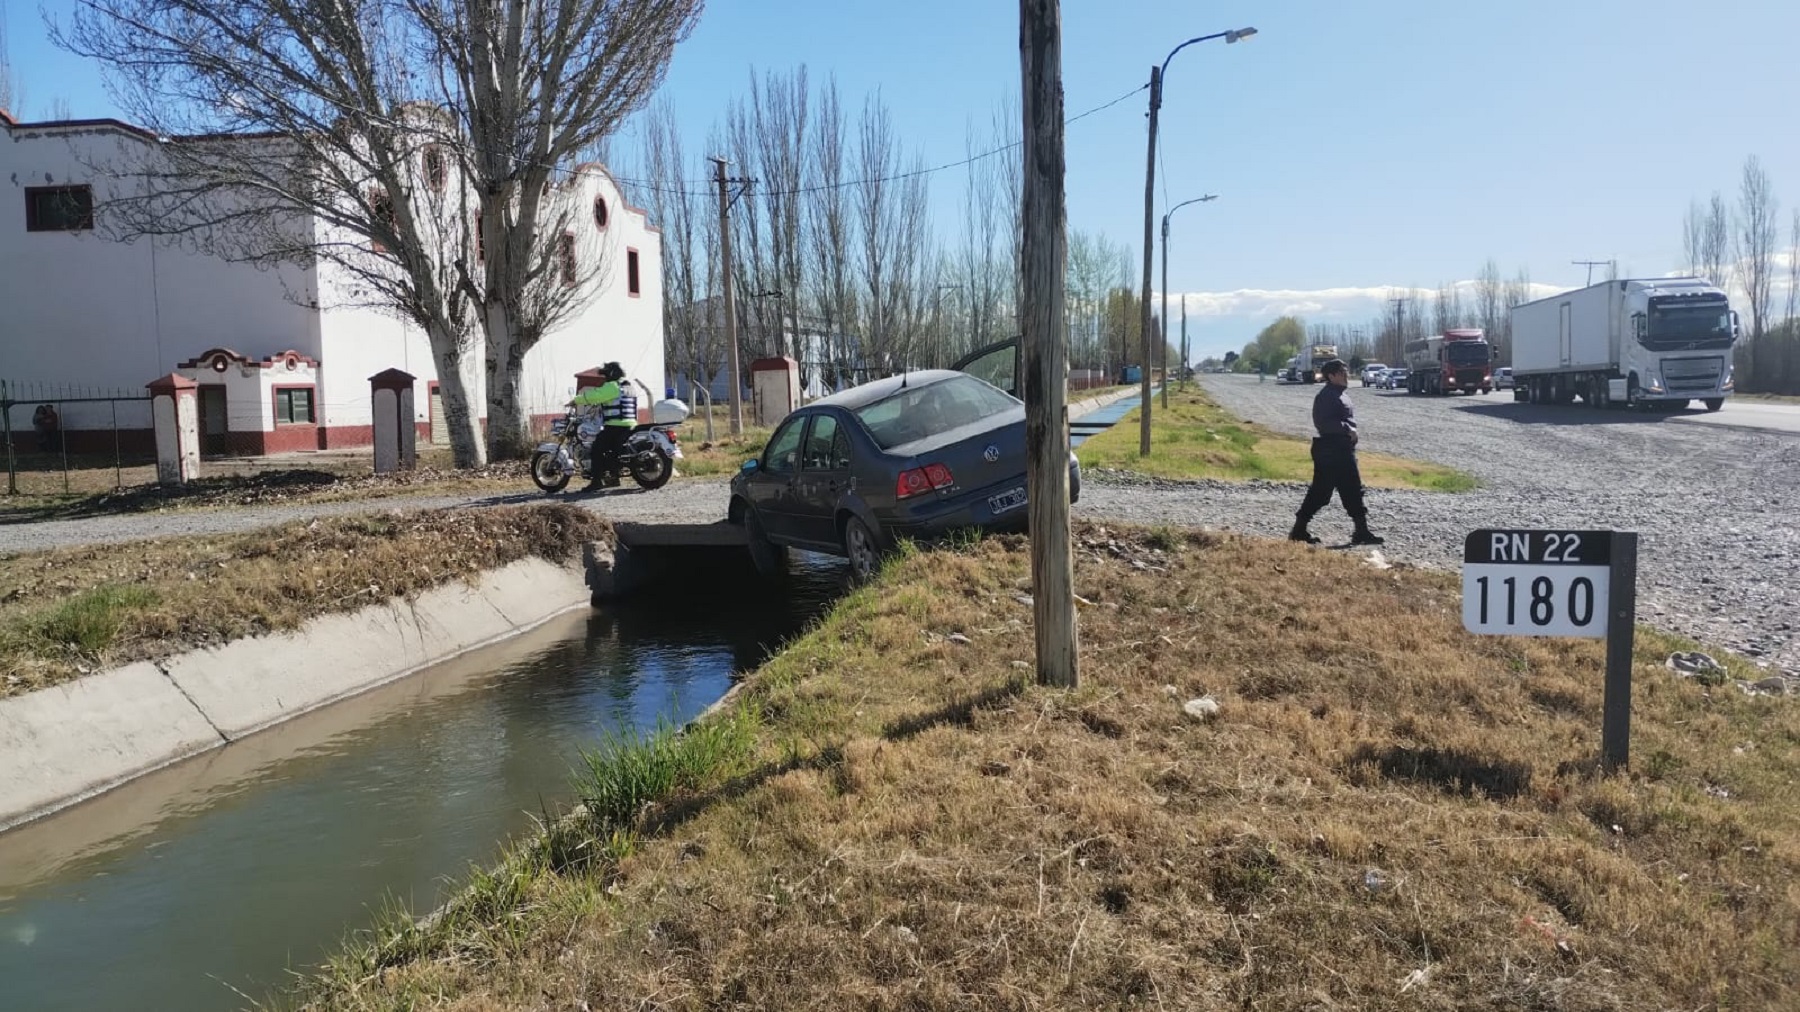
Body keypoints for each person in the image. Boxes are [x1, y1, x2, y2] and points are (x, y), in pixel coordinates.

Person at [1291, 359, 1384, 547]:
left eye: (1345, 371)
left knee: (1353, 489)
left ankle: (1361, 531)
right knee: (1321, 492)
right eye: (1342, 372)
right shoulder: (1326, 396)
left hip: (1342, 449)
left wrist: (1350, 433)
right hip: (1330, 450)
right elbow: (1323, 423)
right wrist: (1347, 430)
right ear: (1331, 376)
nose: (1346, 374)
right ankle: (1298, 529)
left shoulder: (1341, 394)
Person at [568, 362, 637, 491]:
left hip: (616, 426)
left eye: (605, 376)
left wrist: (576, 400)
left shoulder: (612, 386)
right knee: (610, 451)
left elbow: (596, 395)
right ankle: (613, 477)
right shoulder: (628, 386)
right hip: (630, 425)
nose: (604, 379)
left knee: (597, 449)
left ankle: (596, 481)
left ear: (611, 374)